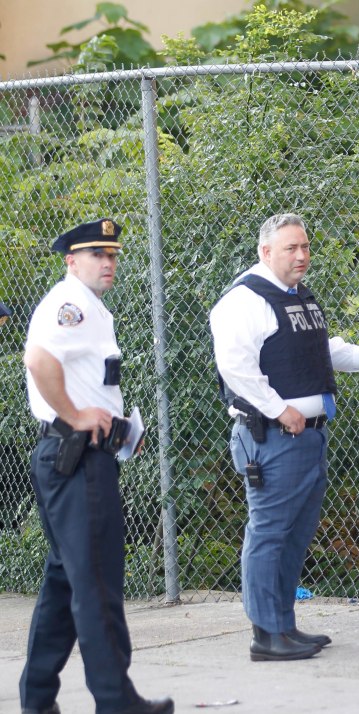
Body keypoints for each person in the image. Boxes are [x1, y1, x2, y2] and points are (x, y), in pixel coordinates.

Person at [210, 213, 359, 662]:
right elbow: (236, 368)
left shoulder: (295, 296)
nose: (302, 255)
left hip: (307, 437)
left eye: (305, 247)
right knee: (270, 533)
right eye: (291, 248)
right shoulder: (245, 300)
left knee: (294, 535)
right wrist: (280, 410)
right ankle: (265, 635)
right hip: (274, 437)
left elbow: (318, 349)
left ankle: (284, 626)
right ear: (265, 252)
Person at [21, 219, 174, 714]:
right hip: (77, 461)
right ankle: (116, 700)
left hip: (74, 458)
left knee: (66, 584)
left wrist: (117, 427)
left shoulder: (89, 307)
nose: (107, 263)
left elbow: (86, 381)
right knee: (98, 586)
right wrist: (74, 415)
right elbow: (38, 359)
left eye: (112, 255)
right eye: (95, 255)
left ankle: (38, 699)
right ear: (71, 260)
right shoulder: (71, 306)